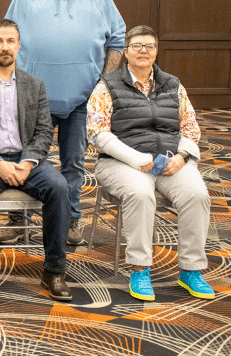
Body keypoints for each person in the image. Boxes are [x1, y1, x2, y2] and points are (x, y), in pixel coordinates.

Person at [4, 0, 126, 246]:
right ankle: (19, 219)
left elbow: (118, 38)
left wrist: (104, 84)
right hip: (33, 100)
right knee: (25, 158)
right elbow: (8, 35)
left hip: (82, 99)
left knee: (73, 163)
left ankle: (70, 220)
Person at [88, 25, 215, 301]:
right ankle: (140, 268)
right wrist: (136, 159)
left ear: (156, 51)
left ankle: (191, 270)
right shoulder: (107, 85)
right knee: (140, 193)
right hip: (120, 162)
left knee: (197, 194)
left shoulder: (173, 84)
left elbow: (191, 129)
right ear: (126, 52)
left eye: (149, 46)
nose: (143, 51)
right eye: (136, 46)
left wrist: (182, 158)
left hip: (170, 161)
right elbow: (97, 134)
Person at [0, 19, 72, 303]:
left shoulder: (35, 85)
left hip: (26, 159)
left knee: (59, 187)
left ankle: (54, 270)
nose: (4, 47)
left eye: (10, 41)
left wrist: (29, 162)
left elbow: (44, 131)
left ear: (19, 46)